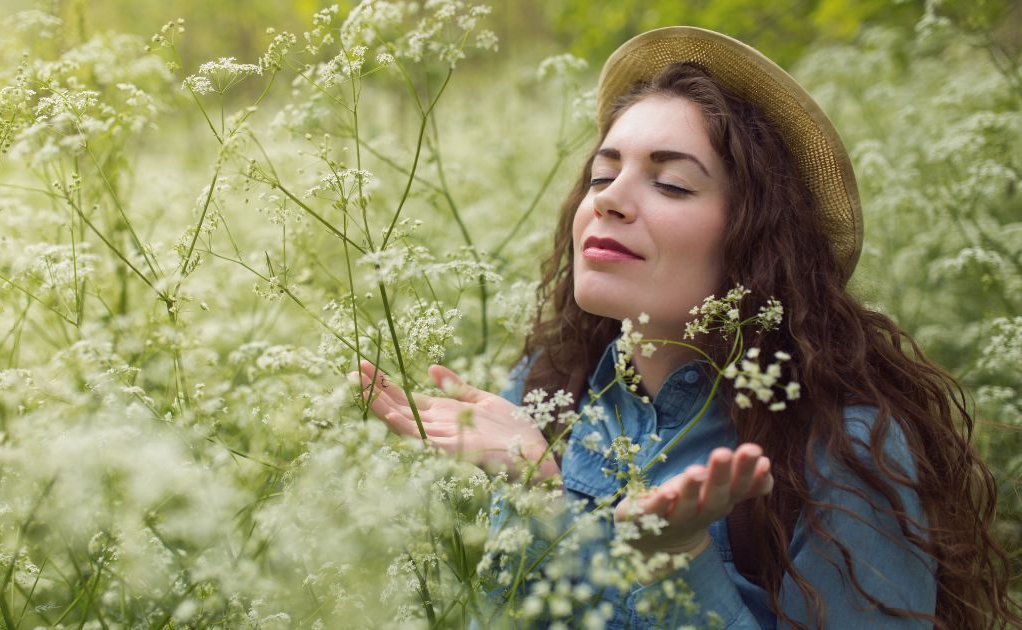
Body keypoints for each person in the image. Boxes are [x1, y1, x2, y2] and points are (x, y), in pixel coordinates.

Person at [355, 27, 1017, 629]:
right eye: (603, 174)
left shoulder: (839, 444)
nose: (609, 198)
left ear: (757, 238)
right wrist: (538, 493)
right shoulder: (547, 390)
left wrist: (675, 558)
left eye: (671, 184)